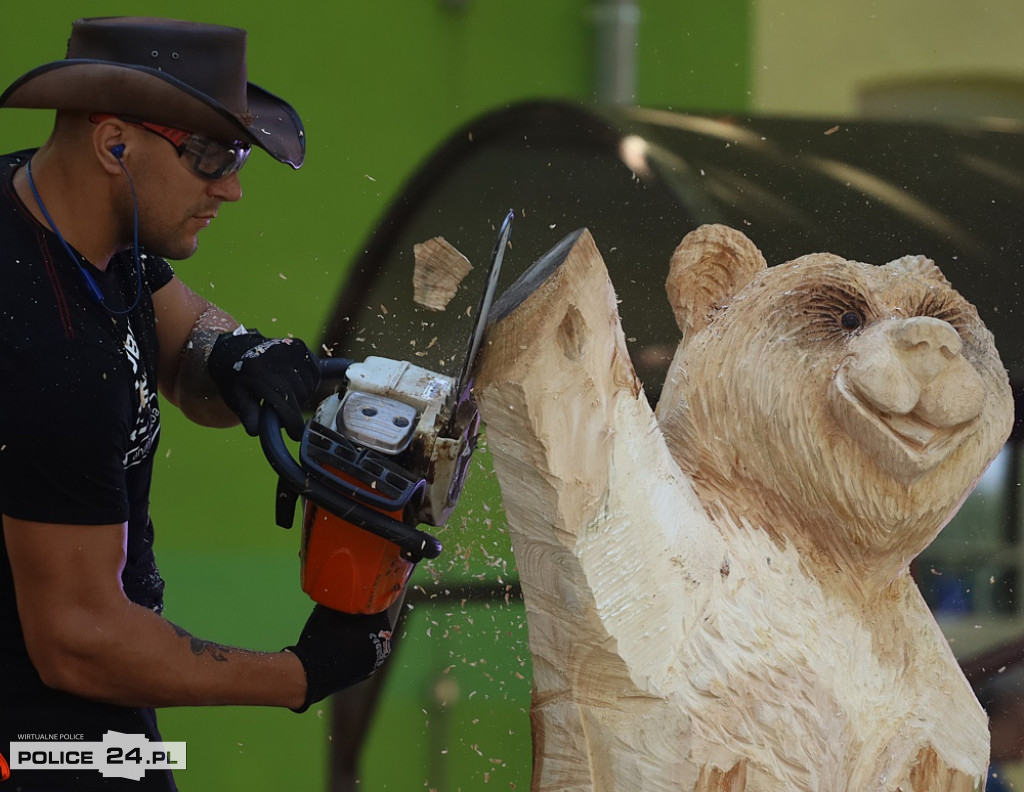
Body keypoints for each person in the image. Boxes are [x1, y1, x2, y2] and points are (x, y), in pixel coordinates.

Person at [0, 17, 392, 790]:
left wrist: (239, 352)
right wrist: (300, 675)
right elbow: (79, 641)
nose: (233, 187)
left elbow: (179, 342)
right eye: (209, 156)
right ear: (114, 144)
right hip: (38, 734)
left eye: (237, 155)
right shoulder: (48, 356)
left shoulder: (51, 206)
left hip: (89, 703)